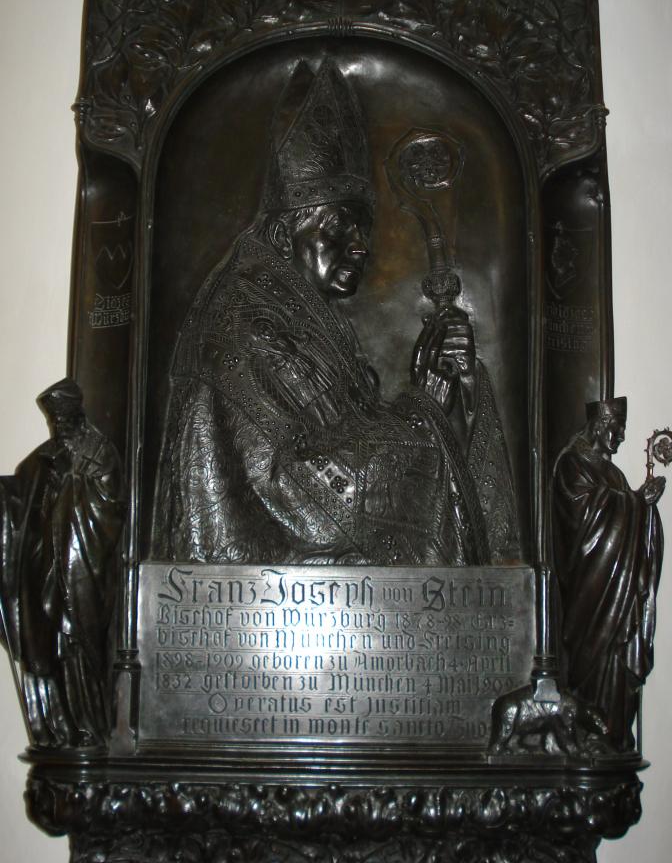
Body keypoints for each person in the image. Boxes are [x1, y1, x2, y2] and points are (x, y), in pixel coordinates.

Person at [152, 58, 518, 566]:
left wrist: (451, 385)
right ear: (282, 235)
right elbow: (311, 497)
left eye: (363, 229)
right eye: (339, 226)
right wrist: (426, 410)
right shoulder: (244, 322)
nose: (361, 245)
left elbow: (347, 441)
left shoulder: (306, 321)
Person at [0, 378, 125, 747]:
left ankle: (89, 724)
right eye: (56, 422)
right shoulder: (41, 458)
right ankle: (57, 727)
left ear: (79, 415)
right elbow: (20, 502)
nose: (61, 428)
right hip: (43, 565)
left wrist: (72, 481)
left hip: (80, 567)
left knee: (78, 644)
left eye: (67, 420)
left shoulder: (98, 453)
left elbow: (111, 505)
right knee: (46, 646)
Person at [553, 397, 664, 751]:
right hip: (590, 597)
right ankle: (590, 733)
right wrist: (636, 502)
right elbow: (584, 521)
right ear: (600, 425)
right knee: (592, 663)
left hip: (620, 596)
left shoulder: (613, 474)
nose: (621, 437)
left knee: (618, 660)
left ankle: (614, 734)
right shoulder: (572, 464)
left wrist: (643, 508)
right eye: (618, 429)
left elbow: (625, 518)